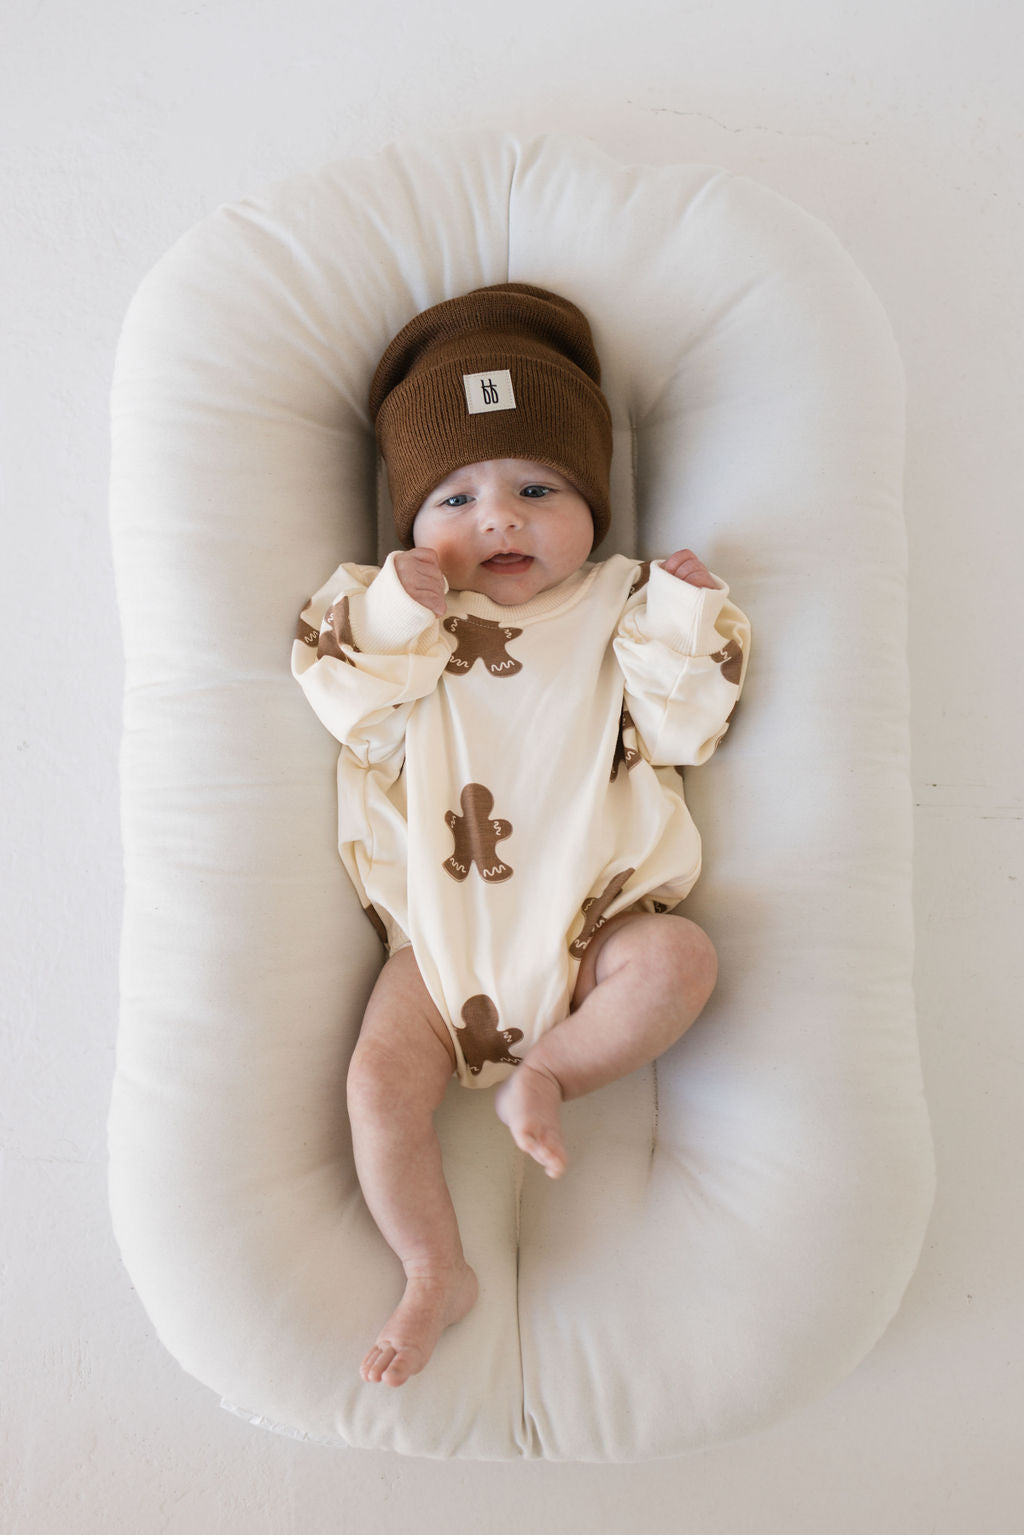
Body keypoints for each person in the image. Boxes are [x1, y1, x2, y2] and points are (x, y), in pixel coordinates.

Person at [292, 284, 750, 1388]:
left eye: (538, 487)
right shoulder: (393, 614)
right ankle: (430, 1264)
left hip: (597, 923)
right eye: (454, 496)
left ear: (593, 507)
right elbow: (341, 694)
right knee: (376, 1087)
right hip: (436, 947)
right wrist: (398, 607)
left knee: (680, 959)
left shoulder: (619, 605)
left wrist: (686, 617)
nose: (497, 517)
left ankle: (553, 1068)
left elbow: (689, 722)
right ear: (408, 522)